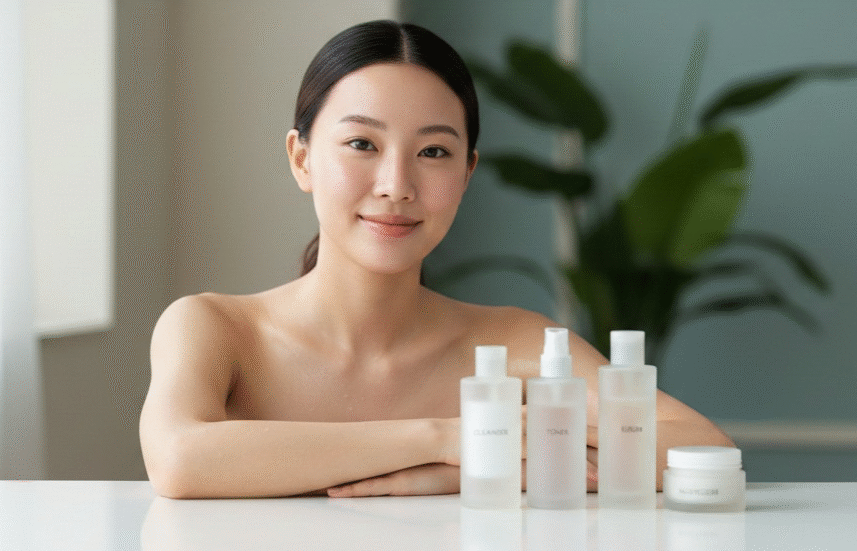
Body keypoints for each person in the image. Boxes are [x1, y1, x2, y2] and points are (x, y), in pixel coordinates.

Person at [139, 20, 733, 499]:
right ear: (301, 159)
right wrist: (449, 438)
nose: (397, 184)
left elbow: (702, 445)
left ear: (468, 171)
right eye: (362, 144)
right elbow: (179, 459)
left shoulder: (513, 341)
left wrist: (456, 472)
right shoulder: (216, 329)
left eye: (433, 151)